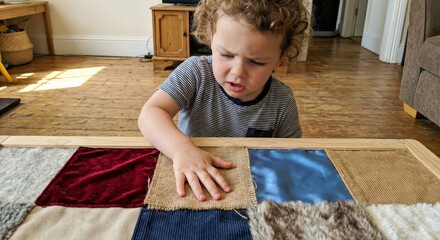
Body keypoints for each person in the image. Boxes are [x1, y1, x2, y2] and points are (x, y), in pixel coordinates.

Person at [138, 0, 310, 202]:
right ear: (211, 38)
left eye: (256, 62)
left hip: (249, 188)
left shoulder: (282, 99)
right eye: (226, 55)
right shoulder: (196, 72)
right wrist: (181, 150)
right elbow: (150, 113)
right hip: (193, 179)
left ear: (282, 56)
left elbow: (293, 156)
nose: (237, 72)